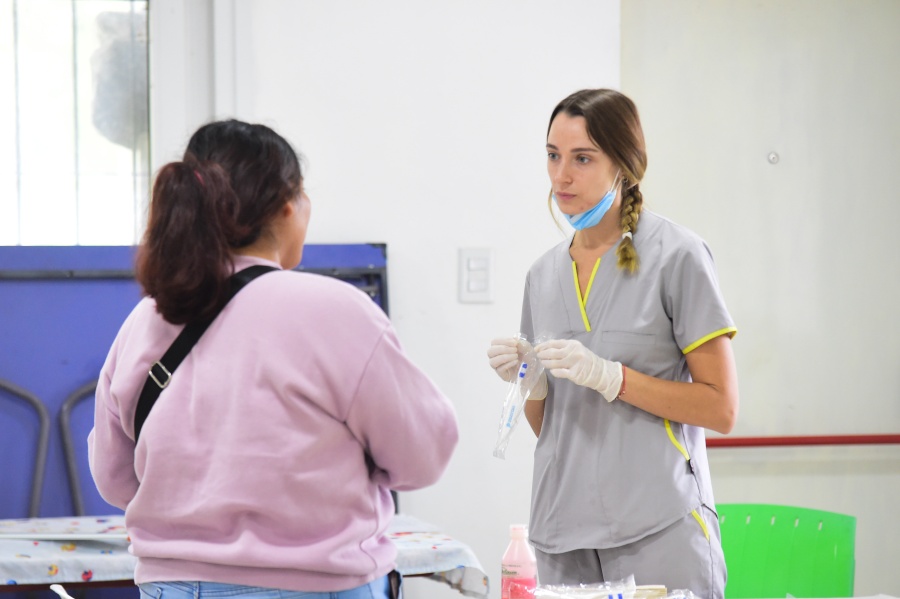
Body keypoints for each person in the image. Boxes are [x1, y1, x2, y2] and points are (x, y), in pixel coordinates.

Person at [89, 119, 458, 599]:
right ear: (287, 206)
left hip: (171, 587)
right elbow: (423, 454)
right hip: (315, 587)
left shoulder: (146, 319)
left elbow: (115, 478)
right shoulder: (335, 311)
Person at [487, 89, 738, 599]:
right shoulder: (542, 276)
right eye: (553, 156)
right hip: (564, 535)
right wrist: (531, 385)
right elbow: (551, 428)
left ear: (623, 165)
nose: (561, 176)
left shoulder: (677, 257)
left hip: (658, 531)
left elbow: (721, 407)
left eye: (583, 159)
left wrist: (613, 377)